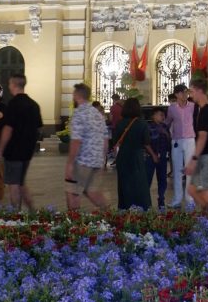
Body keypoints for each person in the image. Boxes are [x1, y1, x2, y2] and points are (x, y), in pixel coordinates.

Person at [0, 74, 43, 212]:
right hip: (27, 151)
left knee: (13, 183)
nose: (9, 87)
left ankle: (15, 214)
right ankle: (32, 210)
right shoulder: (34, 105)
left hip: (13, 150)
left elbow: (8, 128)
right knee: (20, 182)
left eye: (9, 84)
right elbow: (38, 128)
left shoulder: (13, 104)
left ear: (13, 85)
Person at [65, 83, 109, 211]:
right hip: (96, 160)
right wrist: (102, 159)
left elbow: (76, 141)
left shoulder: (79, 114)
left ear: (76, 95)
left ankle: (74, 223)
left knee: (73, 192)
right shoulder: (98, 114)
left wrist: (70, 164)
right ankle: (110, 217)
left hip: (82, 161)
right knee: (92, 192)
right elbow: (105, 139)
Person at [112, 97, 155, 210]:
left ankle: (124, 207)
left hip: (123, 157)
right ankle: (141, 208)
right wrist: (153, 155)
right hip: (136, 157)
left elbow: (114, 140)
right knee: (139, 184)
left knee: (124, 184)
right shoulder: (142, 123)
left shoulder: (120, 123)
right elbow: (146, 142)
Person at [185, 78, 208, 214]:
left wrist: (193, 160)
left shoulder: (206, 111)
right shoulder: (202, 110)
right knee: (192, 189)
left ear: (200, 91)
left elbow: (202, 137)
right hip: (204, 155)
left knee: (204, 190)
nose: (190, 95)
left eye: (192, 91)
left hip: (206, 156)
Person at [165, 84, 197, 209]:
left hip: (190, 140)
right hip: (177, 140)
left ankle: (190, 198)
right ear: (177, 94)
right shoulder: (172, 108)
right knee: (177, 170)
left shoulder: (193, 106)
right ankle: (177, 199)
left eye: (186, 92)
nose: (185, 95)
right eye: (182, 93)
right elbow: (168, 122)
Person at [146, 108, 171, 209]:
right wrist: (153, 155)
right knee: (148, 179)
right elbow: (146, 143)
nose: (163, 117)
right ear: (153, 116)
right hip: (150, 156)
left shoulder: (165, 126)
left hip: (163, 156)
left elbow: (169, 141)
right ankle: (146, 201)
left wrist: (166, 134)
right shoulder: (148, 127)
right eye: (160, 114)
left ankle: (161, 199)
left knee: (162, 179)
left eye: (163, 115)